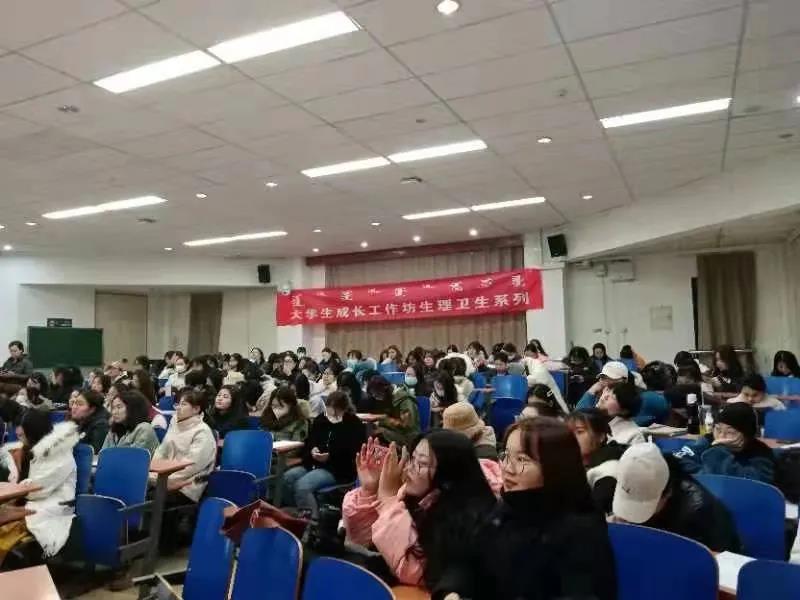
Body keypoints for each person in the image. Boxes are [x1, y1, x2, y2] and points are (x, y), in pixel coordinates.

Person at [434, 417, 617, 600]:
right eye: (506, 455)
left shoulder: (582, 528)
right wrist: (452, 591)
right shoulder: (507, 508)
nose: (508, 468)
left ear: (555, 466)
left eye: (522, 459)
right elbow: (468, 562)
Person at [342, 432, 501, 586]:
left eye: (422, 463)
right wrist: (370, 490)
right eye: (412, 459)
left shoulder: (468, 518)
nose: (410, 468)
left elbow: (416, 572)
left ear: (447, 474)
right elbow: (359, 540)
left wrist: (388, 499)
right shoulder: (412, 494)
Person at [612, 443, 740, 552]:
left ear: (668, 493)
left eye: (642, 505)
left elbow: (713, 560)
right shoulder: (630, 476)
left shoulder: (698, 511)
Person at [0, 411, 77, 567]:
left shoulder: (60, 455)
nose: (20, 441)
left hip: (49, 506)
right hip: (27, 502)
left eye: (23, 436)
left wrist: (16, 488)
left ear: (34, 434)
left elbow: (38, 490)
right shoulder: (28, 450)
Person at [281, 391, 366, 517]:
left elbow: (354, 452)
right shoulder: (321, 419)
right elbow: (310, 440)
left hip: (336, 468)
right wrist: (313, 449)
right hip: (312, 463)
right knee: (286, 478)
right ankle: (297, 513)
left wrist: (330, 456)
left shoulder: (354, 424)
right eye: (329, 409)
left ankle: (312, 521)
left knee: (302, 486)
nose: (331, 414)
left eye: (335, 411)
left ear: (344, 409)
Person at [153, 388, 217, 550]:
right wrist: (154, 473)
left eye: (184, 404)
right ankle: (143, 539)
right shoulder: (175, 425)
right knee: (140, 492)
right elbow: (161, 452)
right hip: (165, 477)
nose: (178, 408)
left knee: (160, 497)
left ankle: (163, 545)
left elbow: (192, 466)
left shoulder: (202, 432)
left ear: (196, 409)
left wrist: (167, 479)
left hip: (189, 483)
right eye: (178, 404)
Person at [675, 402, 777, 484]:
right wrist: (705, 475)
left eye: (730, 432)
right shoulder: (708, 440)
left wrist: (718, 451)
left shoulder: (760, 453)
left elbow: (750, 484)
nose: (721, 436)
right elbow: (679, 462)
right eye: (718, 429)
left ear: (746, 436)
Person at [566, 409, 627, 514]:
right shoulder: (568, 463)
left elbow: (591, 514)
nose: (571, 438)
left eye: (579, 432)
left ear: (601, 436)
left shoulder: (608, 472)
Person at [367, 376, 420, 447]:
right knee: (371, 429)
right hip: (397, 432)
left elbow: (406, 425)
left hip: (409, 437)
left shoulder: (405, 400)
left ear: (385, 388)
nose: (376, 397)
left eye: (377, 394)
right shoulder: (390, 397)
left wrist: (383, 419)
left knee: (376, 433)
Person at [102, 391, 159, 455]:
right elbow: (102, 455)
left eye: (119, 407)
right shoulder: (112, 432)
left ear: (132, 408)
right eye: (113, 408)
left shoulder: (144, 429)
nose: (114, 412)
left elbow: (132, 457)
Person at [596, 381, 645, 445]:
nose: (606, 396)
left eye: (613, 397)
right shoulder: (591, 416)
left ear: (624, 411)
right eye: (608, 390)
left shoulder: (633, 436)